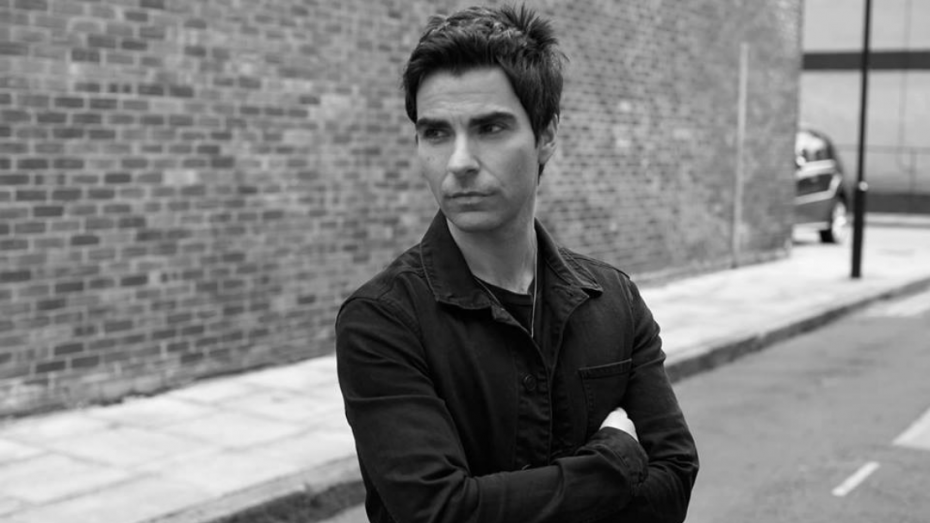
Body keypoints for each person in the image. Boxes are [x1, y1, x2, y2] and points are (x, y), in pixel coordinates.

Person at [335, 4, 698, 522]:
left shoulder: (614, 300)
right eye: (436, 133)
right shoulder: (383, 321)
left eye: (489, 128)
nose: (459, 161)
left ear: (546, 135)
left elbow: (675, 479)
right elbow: (438, 512)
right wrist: (613, 462)